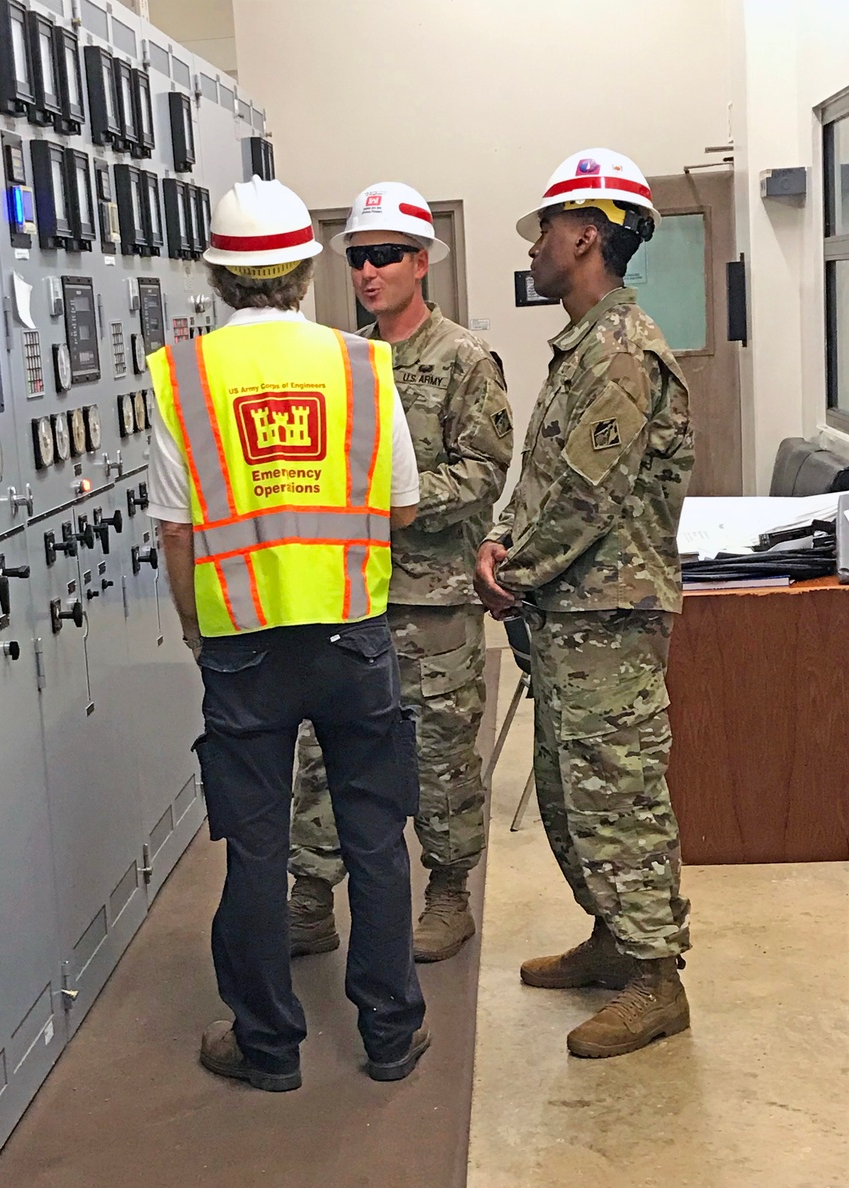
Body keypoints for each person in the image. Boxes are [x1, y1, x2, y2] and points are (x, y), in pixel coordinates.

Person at [146, 176, 430, 1090]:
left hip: (244, 647)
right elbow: (405, 502)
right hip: (354, 635)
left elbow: (178, 532)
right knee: (378, 839)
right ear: (307, 269)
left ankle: (268, 1046)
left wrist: (200, 632)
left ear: (220, 275)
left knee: (258, 851)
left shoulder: (183, 374)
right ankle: (389, 1036)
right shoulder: (359, 365)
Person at [474, 148, 694, 1059]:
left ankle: (656, 976)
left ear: (587, 235)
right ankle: (613, 938)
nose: (534, 248)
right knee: (572, 794)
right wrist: (502, 543)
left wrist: (513, 569)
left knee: (622, 796)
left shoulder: (624, 353)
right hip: (570, 617)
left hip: (608, 619)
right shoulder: (582, 345)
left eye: (545, 232)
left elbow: (585, 498)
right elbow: (544, 476)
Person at [289, 182, 514, 963]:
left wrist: (401, 508)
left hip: (433, 598)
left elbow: (484, 472)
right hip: (349, 594)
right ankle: (311, 897)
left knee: (441, 751)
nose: (369, 271)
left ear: (422, 262)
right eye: (358, 257)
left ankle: (449, 893)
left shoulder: (464, 360)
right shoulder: (344, 360)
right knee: (325, 749)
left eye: (386, 255)